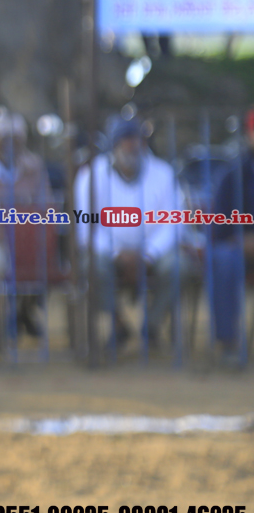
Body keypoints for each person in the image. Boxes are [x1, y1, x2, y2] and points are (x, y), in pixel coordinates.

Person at [74, 116, 194, 350]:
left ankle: (152, 324)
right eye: (126, 140)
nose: (133, 145)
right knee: (91, 266)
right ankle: (118, 323)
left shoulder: (163, 173)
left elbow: (175, 222)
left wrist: (148, 254)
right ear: (114, 146)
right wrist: (117, 253)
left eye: (137, 139)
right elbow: (85, 226)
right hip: (109, 253)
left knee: (180, 267)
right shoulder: (91, 175)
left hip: (154, 252)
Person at [0, 109, 56, 341]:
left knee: (41, 253)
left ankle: (22, 311)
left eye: (17, 139)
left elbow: (48, 208)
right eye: (4, 139)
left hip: (30, 239)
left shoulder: (35, 167)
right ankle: (9, 316)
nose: (11, 144)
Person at [209, 108, 254, 361]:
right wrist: (242, 239)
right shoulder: (233, 174)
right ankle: (229, 342)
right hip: (240, 250)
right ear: (248, 134)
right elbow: (219, 226)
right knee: (224, 259)